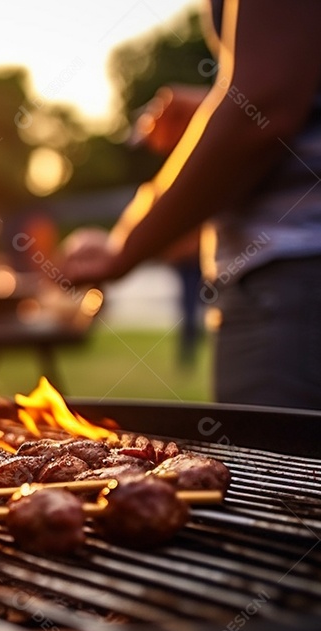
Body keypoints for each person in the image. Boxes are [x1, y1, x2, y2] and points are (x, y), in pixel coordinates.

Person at [61, 0, 321, 410]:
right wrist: (213, 110)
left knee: (275, 468)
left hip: (294, 282)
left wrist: (125, 248)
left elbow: (265, 106)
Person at [131, 84, 210, 369]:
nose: (152, 146)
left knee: (197, 306)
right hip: (185, 260)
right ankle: (188, 352)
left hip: (196, 259)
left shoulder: (198, 148)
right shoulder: (176, 165)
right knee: (191, 306)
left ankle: (190, 352)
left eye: (150, 137)